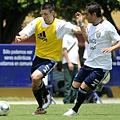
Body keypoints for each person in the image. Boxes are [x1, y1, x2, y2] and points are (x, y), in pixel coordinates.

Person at [15, 2, 82, 115]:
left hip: (51, 59)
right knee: (34, 83)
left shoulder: (60, 25)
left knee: (35, 77)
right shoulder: (38, 21)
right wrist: (21, 37)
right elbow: (26, 33)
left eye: (46, 14)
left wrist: (83, 26)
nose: (43, 16)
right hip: (38, 57)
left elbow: (77, 30)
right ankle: (41, 108)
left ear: (52, 13)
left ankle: (46, 94)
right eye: (42, 14)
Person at [63, 2, 120, 116]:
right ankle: (98, 85)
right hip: (90, 63)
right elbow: (88, 40)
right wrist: (80, 25)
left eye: (87, 14)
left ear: (94, 14)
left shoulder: (107, 26)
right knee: (75, 85)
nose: (85, 16)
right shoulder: (89, 26)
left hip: (102, 65)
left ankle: (74, 110)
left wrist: (111, 48)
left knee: (83, 87)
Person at [62, 32, 81, 104]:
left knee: (76, 82)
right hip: (68, 62)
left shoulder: (75, 38)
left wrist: (79, 64)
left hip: (75, 62)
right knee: (68, 82)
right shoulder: (66, 36)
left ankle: (73, 99)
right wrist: (69, 62)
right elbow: (64, 50)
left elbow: (77, 52)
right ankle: (67, 100)